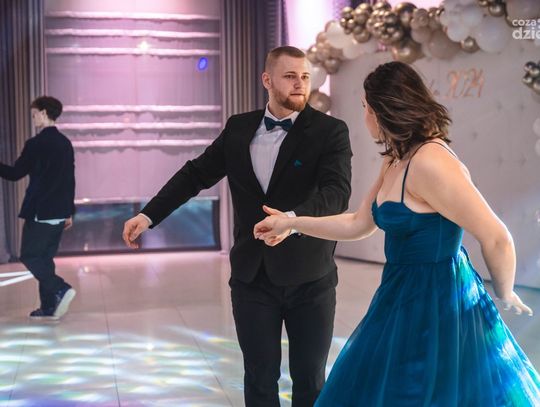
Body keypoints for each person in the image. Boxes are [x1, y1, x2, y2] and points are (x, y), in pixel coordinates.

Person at [254, 61, 540, 406]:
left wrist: (505, 293)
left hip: (439, 301)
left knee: (428, 390)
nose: (364, 116)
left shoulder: (431, 162)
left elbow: (496, 236)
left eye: (365, 107)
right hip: (400, 293)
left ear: (382, 110)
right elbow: (358, 223)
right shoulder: (395, 159)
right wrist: (292, 222)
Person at [122, 46, 352, 406]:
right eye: (290, 76)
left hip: (310, 277)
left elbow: (336, 193)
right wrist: (148, 215)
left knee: (309, 379)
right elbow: (195, 175)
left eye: (305, 77)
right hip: (252, 276)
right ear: (267, 80)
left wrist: (291, 221)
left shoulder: (330, 131)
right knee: (259, 378)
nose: (300, 84)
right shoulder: (239, 128)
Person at [0, 96, 77, 320]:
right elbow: (70, 180)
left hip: (40, 212)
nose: (33, 118)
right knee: (45, 258)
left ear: (44, 113)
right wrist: (69, 211)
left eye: (34, 114)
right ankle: (49, 307)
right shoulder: (65, 143)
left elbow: (15, 174)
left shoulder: (35, 144)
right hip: (59, 212)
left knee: (29, 255)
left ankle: (60, 288)